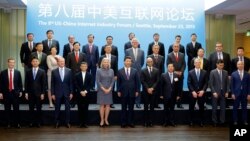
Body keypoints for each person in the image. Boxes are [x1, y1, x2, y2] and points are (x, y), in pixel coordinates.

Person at [117, 56, 140, 128]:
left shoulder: (135, 71)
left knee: (131, 109)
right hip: (123, 92)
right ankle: (123, 122)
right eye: (126, 61)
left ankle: (131, 122)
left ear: (131, 62)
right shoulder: (120, 71)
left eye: (129, 61)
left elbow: (137, 82)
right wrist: (118, 91)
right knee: (123, 108)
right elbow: (118, 82)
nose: (128, 62)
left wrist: (137, 91)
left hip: (132, 92)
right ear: (124, 62)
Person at [0, 58, 23, 128]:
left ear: (14, 63)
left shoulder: (17, 72)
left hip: (15, 93)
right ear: (8, 63)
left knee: (16, 109)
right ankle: (8, 123)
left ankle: (17, 123)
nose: (12, 64)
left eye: (13, 62)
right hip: (6, 93)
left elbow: (20, 83)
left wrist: (20, 91)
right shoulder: (3, 72)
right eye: (10, 62)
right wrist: (0, 93)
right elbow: (0, 84)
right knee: (7, 109)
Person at [51, 57, 73, 128]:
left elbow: (71, 83)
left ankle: (67, 122)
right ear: (58, 63)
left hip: (67, 92)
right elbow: (52, 83)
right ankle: (56, 122)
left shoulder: (69, 71)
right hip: (57, 93)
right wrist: (52, 93)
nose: (62, 63)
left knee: (67, 109)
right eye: (60, 61)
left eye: (63, 61)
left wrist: (71, 92)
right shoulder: (54, 71)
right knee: (57, 108)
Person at [25, 57, 46, 128]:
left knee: (39, 109)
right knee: (31, 109)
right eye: (33, 61)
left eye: (36, 61)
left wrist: (43, 93)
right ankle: (31, 122)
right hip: (30, 93)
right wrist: (26, 92)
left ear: (39, 62)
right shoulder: (28, 71)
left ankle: (38, 122)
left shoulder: (42, 71)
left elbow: (44, 83)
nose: (35, 62)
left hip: (39, 93)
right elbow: (26, 83)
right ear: (31, 63)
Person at [187, 58, 208, 127]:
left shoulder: (204, 72)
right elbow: (189, 83)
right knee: (191, 108)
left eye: (199, 62)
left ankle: (201, 121)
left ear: (200, 63)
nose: (198, 63)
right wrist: (193, 91)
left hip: (201, 93)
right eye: (196, 62)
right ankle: (191, 121)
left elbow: (206, 83)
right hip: (193, 93)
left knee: (202, 108)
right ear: (194, 64)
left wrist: (203, 90)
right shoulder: (190, 72)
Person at [125, 38, 144, 108]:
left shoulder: (142, 51)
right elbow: (126, 60)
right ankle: (128, 102)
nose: (135, 43)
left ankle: (138, 102)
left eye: (136, 42)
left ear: (138, 43)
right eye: (133, 42)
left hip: (138, 71)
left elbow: (142, 62)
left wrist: (138, 68)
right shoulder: (127, 51)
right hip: (129, 70)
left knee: (138, 86)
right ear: (131, 43)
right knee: (129, 86)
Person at [209, 60, 229, 127]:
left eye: (222, 65)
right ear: (217, 65)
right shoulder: (212, 72)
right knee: (214, 108)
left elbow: (227, 84)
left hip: (223, 93)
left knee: (223, 109)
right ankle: (214, 121)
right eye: (220, 65)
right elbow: (211, 84)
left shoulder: (225, 72)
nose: (221, 66)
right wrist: (214, 92)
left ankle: (222, 121)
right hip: (215, 93)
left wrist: (227, 91)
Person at [140, 57, 159, 127]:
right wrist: (148, 88)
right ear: (146, 62)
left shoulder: (156, 70)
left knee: (152, 107)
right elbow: (142, 81)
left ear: (152, 62)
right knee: (145, 107)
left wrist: (152, 88)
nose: (150, 63)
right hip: (145, 91)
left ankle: (151, 121)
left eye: (151, 61)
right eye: (148, 61)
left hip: (153, 91)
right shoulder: (142, 70)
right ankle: (145, 121)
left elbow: (157, 81)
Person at [96, 58, 115, 127]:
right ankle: (102, 120)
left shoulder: (112, 70)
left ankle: (106, 119)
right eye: (104, 62)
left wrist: (110, 88)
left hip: (109, 90)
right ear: (102, 63)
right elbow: (98, 81)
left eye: (107, 62)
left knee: (107, 105)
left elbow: (113, 80)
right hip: (101, 90)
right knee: (101, 105)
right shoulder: (98, 70)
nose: (106, 63)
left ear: (109, 63)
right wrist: (103, 89)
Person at [167, 43, 186, 109]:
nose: (176, 47)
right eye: (175, 46)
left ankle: (179, 103)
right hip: (173, 75)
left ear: (179, 47)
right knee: (173, 89)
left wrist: (181, 72)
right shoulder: (169, 55)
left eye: (177, 46)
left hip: (181, 75)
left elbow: (184, 64)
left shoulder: (182, 54)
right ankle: (172, 103)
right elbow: (168, 65)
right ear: (172, 47)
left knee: (180, 90)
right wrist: (175, 72)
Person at [231, 61, 250, 126]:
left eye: (242, 64)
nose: (240, 65)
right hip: (236, 94)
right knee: (235, 108)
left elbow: (249, 85)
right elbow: (232, 85)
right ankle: (235, 121)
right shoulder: (233, 74)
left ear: (243, 65)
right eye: (239, 64)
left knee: (244, 108)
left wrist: (249, 94)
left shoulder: (247, 74)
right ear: (237, 65)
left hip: (245, 94)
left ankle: (245, 121)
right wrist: (232, 93)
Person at [74, 62, 92, 128]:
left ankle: (85, 123)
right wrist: (81, 91)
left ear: (87, 67)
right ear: (80, 67)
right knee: (80, 108)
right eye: (82, 66)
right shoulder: (77, 75)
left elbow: (90, 85)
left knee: (86, 109)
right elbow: (76, 84)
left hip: (87, 94)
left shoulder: (89, 75)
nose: (84, 67)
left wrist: (85, 91)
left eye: (85, 66)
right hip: (79, 94)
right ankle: (80, 123)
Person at [148, 44, 165, 108]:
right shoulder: (149, 56)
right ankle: (150, 104)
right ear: (152, 49)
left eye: (157, 48)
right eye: (155, 48)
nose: (156, 49)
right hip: (151, 76)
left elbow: (162, 67)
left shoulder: (162, 57)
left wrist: (163, 75)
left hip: (159, 76)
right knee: (151, 91)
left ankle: (156, 104)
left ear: (159, 49)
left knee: (157, 90)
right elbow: (147, 67)